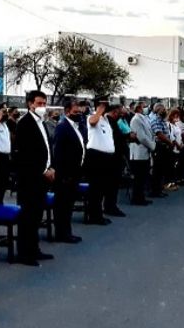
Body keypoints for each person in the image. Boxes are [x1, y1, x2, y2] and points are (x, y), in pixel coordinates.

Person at [14, 90, 56, 266]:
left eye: (44, 103)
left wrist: (51, 166)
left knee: (37, 215)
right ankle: (24, 253)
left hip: (42, 177)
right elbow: (26, 154)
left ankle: (34, 249)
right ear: (30, 104)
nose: (42, 107)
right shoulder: (24, 123)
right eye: (39, 103)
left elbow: (46, 147)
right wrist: (42, 170)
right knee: (28, 217)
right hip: (29, 178)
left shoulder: (42, 123)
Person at [52, 98, 84, 243]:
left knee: (68, 205)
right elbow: (58, 152)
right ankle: (62, 233)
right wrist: (63, 174)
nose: (78, 114)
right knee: (63, 206)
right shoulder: (62, 127)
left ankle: (67, 231)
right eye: (75, 112)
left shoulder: (75, 126)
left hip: (74, 173)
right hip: (65, 174)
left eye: (79, 111)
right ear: (67, 112)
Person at [84, 95, 115, 225]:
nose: (106, 105)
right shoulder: (92, 117)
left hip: (106, 157)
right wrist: (99, 110)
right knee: (96, 188)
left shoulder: (106, 119)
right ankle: (94, 216)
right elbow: (92, 122)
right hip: (96, 156)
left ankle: (99, 214)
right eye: (104, 103)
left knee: (102, 188)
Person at [129, 101, 155, 205]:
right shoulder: (136, 119)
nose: (146, 108)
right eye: (144, 107)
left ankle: (141, 197)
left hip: (145, 152)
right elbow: (141, 137)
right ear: (139, 108)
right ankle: (137, 198)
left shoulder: (143, 118)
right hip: (138, 152)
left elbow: (149, 132)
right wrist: (152, 145)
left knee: (143, 176)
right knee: (138, 178)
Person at [104, 104, 128, 216]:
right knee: (111, 185)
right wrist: (127, 137)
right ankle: (110, 207)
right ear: (114, 112)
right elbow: (115, 138)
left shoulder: (112, 122)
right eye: (119, 113)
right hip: (112, 158)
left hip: (116, 157)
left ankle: (111, 206)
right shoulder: (109, 121)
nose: (120, 115)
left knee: (113, 185)